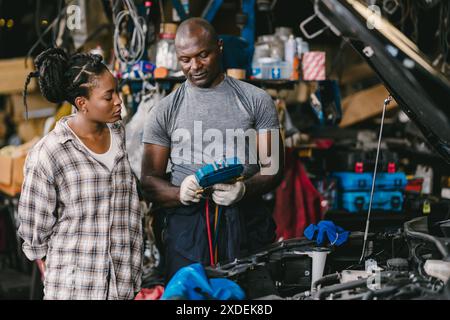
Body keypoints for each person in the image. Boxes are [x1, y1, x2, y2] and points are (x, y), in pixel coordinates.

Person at [141, 18, 284, 281]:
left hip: (246, 221)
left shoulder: (256, 101)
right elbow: (148, 181)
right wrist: (179, 193)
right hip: (187, 229)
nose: (194, 66)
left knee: (248, 294)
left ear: (219, 47)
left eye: (202, 55)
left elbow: (274, 168)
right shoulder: (164, 110)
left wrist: (243, 190)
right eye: (185, 60)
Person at [17, 48, 143, 300]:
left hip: (123, 286)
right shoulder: (50, 153)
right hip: (76, 289)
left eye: (117, 91)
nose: (118, 100)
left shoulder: (118, 133)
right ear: (82, 104)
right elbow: (34, 234)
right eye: (109, 97)